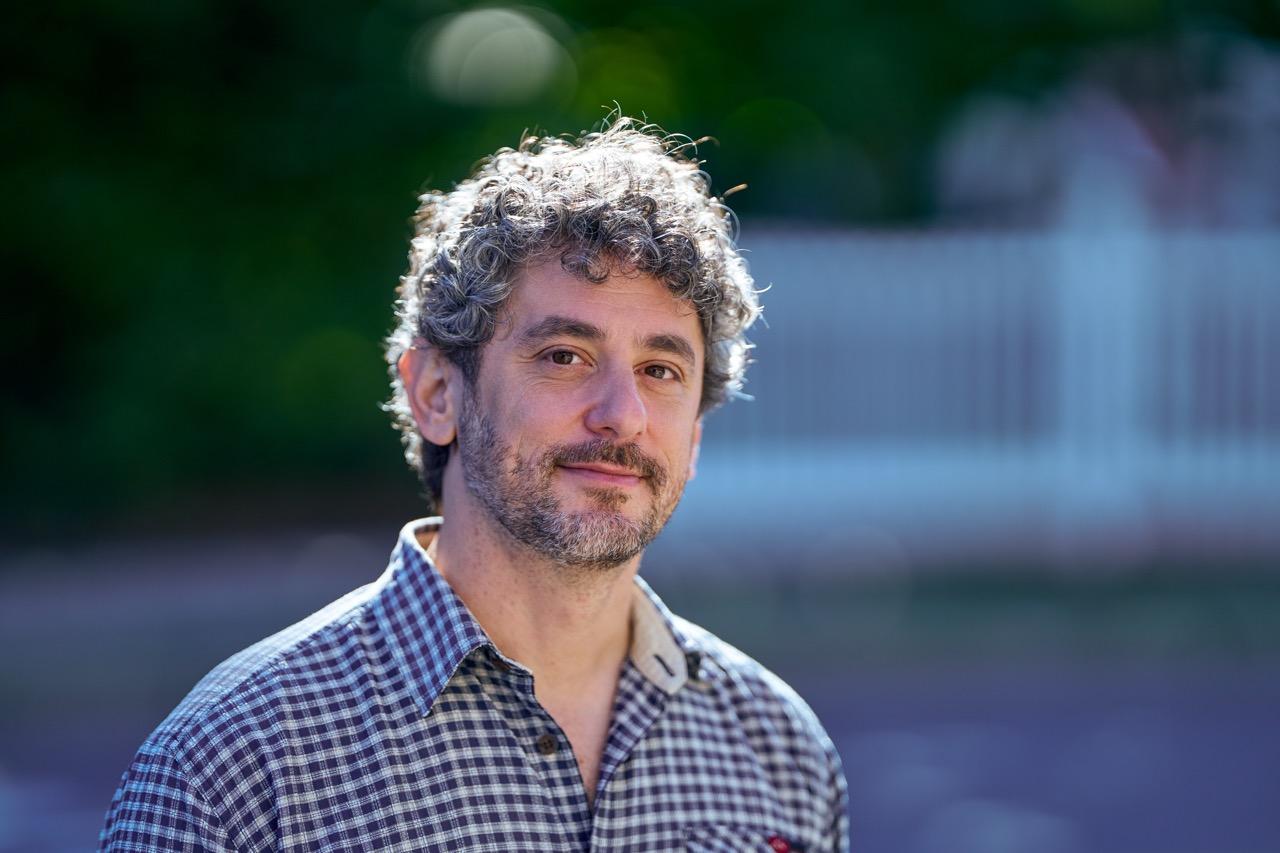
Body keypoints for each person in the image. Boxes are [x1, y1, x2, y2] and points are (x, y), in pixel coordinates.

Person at [100, 118, 849, 852]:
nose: (623, 415)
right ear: (435, 393)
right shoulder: (231, 769)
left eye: (661, 371)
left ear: (693, 435)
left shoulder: (779, 750)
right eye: (564, 355)